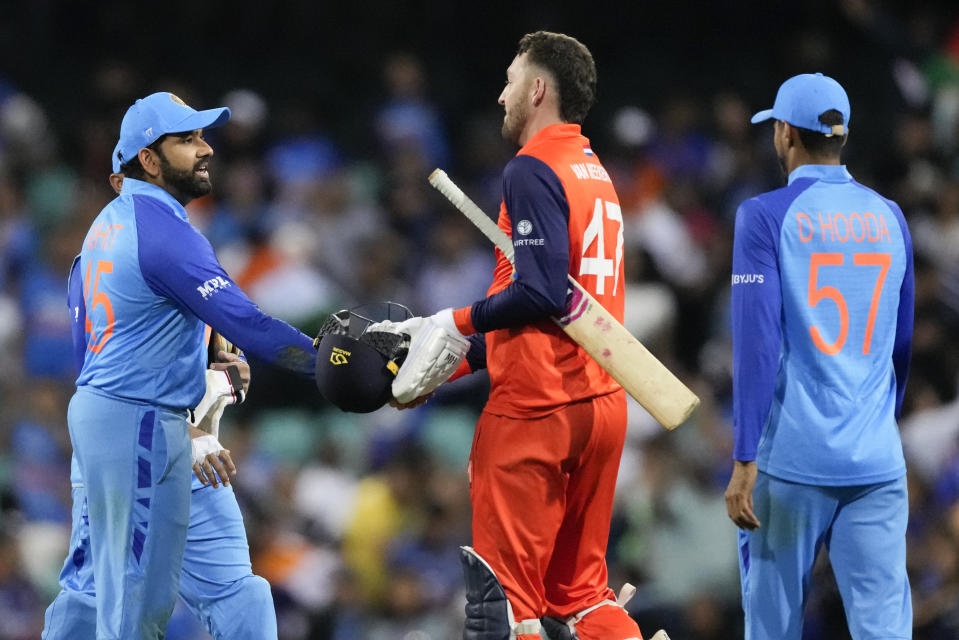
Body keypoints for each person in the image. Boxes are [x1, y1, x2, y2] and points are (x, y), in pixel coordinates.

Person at [387, 31, 642, 640]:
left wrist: (453, 321)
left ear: (536, 89)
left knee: (503, 610)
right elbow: (555, 307)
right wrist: (459, 359)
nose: (501, 97)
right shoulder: (594, 171)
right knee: (583, 600)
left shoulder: (532, 167)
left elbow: (541, 293)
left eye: (508, 81)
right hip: (602, 402)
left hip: (536, 411)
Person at [42, 92, 317, 639]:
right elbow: (251, 325)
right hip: (141, 433)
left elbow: (107, 339)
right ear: (148, 159)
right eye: (188, 140)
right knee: (131, 613)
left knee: (237, 592)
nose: (205, 148)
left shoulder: (107, 226)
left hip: (150, 432)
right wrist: (334, 365)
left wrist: (207, 352)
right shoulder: (162, 232)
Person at [725, 73, 914, 639]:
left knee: (773, 628)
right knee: (885, 629)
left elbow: (756, 343)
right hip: (876, 458)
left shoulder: (762, 215)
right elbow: (901, 344)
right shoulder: (891, 217)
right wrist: (878, 425)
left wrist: (742, 457)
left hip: (792, 461)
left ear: (784, 133)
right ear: (843, 135)